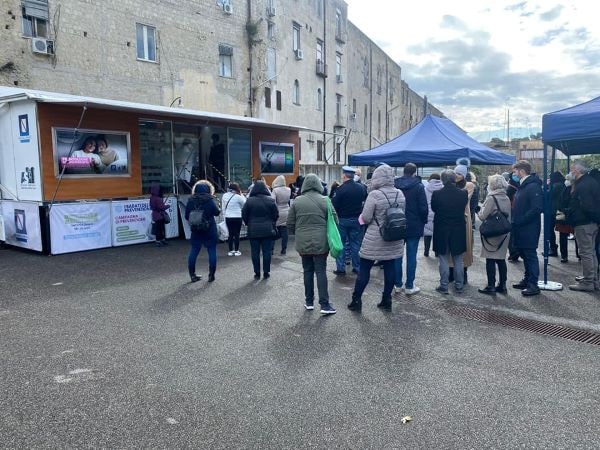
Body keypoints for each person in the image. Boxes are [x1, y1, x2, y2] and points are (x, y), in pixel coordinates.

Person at [347, 164, 406, 311]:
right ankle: (387, 300)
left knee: (365, 269)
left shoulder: (374, 194)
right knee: (390, 267)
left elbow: (366, 218)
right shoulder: (400, 193)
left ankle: (356, 300)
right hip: (394, 236)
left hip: (375, 237)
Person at [287, 173, 338, 314]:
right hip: (321, 241)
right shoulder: (326, 200)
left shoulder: (297, 201)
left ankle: (309, 301)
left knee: (307, 271)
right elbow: (335, 221)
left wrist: (296, 233)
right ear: (318, 184)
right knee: (321, 271)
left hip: (303, 241)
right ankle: (324, 304)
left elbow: (290, 223)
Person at [431, 169, 469, 294]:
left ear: (442, 180)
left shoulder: (437, 194)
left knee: (443, 258)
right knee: (458, 259)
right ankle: (459, 285)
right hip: (458, 229)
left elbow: (434, 208)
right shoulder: (463, 193)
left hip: (441, 229)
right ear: (454, 179)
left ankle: (444, 285)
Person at [394, 162, 428, 295]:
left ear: (403, 171)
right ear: (415, 172)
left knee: (397, 255)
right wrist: (423, 221)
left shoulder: (395, 185)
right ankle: (409, 285)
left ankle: (397, 284)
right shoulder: (419, 187)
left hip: (397, 223)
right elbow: (423, 207)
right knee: (411, 256)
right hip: (414, 224)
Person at [511, 160, 543, 296]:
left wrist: (521, 220)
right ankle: (527, 279)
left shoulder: (533, 186)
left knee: (530, 255)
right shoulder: (523, 186)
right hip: (520, 227)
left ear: (521, 171)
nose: (514, 174)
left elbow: (536, 208)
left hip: (528, 228)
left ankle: (533, 284)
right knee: (524, 254)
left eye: (515, 172)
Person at [566, 161, 600, 291]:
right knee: (591, 253)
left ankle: (588, 282)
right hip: (591, 222)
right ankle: (593, 279)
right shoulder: (591, 182)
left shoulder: (583, 185)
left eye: (572, 169)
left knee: (585, 253)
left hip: (584, 223)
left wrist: (573, 214)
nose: (571, 172)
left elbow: (587, 206)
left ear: (578, 170)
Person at [477, 174, 511, 295]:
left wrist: (478, 210)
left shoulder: (491, 198)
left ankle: (491, 286)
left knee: (490, 259)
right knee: (501, 259)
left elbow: (482, 216)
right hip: (504, 232)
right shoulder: (506, 197)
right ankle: (502, 285)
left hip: (491, 233)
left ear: (492, 185)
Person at [332, 166, 367, 275]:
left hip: (342, 220)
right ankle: (357, 267)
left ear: (344, 175)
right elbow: (364, 200)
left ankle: (341, 268)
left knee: (341, 244)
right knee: (355, 244)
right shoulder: (361, 188)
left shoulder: (340, 189)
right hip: (356, 220)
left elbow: (334, 206)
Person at [242, 180, 279, 279]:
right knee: (267, 251)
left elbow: (244, 214)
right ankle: (266, 272)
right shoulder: (270, 200)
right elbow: (276, 214)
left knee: (255, 252)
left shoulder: (249, 200)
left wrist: (248, 223)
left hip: (253, 229)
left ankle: (257, 272)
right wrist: (272, 222)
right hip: (267, 229)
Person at [185, 180, 221, 282]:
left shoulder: (190, 201)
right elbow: (217, 213)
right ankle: (211, 275)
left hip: (196, 229)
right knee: (212, 251)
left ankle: (192, 275)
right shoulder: (209, 200)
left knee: (194, 251)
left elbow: (187, 216)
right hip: (209, 229)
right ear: (208, 190)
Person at [449, 161, 475, 285]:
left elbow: (463, 199)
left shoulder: (469, 185)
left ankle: (463, 273)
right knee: (450, 246)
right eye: (455, 173)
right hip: (452, 219)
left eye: (459, 173)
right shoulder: (451, 185)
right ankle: (450, 272)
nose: (457, 175)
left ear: (464, 175)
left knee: (465, 247)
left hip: (464, 219)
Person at [221, 182, 246, 256]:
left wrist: (224, 216)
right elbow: (244, 204)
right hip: (237, 217)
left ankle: (230, 251)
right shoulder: (238, 197)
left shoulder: (224, 195)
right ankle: (237, 251)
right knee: (237, 234)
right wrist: (241, 194)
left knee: (230, 234)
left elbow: (223, 207)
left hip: (228, 217)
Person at [423, 173, 443, 257]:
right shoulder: (442, 188)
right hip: (439, 213)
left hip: (428, 212)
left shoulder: (426, 188)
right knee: (437, 234)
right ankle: (437, 252)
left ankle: (426, 251)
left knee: (427, 233)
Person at [271, 175, 291, 255]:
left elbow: (273, 201)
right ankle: (284, 249)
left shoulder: (275, 190)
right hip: (286, 211)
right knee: (285, 231)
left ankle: (271, 249)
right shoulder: (288, 189)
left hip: (278, 211)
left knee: (273, 231)